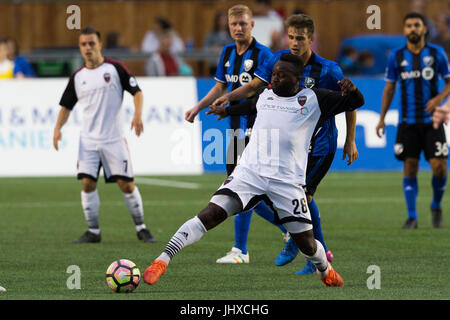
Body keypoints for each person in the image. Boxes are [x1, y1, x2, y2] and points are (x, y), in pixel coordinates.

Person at [142, 53, 365, 288]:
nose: (275, 79)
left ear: (298, 79)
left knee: (307, 244)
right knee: (209, 214)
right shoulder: (266, 93)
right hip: (250, 174)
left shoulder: (315, 99)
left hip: (287, 182)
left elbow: (355, 102)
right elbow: (251, 105)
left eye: (282, 76)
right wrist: (227, 111)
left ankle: (324, 269)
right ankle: (161, 261)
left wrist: (352, 90)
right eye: (275, 74)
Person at [212, 14, 359, 275]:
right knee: (271, 196)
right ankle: (311, 248)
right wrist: (230, 101)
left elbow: (348, 102)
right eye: (290, 37)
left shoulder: (329, 69)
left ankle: (308, 253)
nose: (294, 42)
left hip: (320, 145)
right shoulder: (279, 62)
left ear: (311, 40)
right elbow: (259, 91)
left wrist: (350, 139)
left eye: (300, 38)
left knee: (303, 197)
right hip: (287, 147)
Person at [184, 4, 278, 264]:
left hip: (257, 129)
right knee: (243, 190)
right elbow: (219, 87)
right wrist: (197, 107)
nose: (238, 28)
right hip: (235, 129)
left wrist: (227, 98)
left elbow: (252, 89)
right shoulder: (226, 52)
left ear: (252, 25)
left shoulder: (264, 54)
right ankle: (287, 231)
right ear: (228, 26)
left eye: (243, 24)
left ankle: (240, 250)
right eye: (234, 24)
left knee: (240, 188)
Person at [53, 27, 156, 243]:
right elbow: (66, 106)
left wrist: (137, 115)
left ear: (100, 45)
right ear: (80, 48)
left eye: (92, 43)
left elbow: (137, 91)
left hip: (114, 139)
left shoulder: (115, 69)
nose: (88, 48)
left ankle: (141, 227)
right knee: (87, 184)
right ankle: (93, 231)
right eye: (84, 44)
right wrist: (57, 128)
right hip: (88, 142)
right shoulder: (77, 77)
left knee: (126, 185)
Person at [376, 12, 450, 229]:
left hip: (432, 121)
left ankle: (436, 204)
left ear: (424, 29)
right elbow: (389, 88)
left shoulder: (437, 54)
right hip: (407, 121)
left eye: (416, 25)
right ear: (404, 30)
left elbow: (448, 81)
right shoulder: (396, 56)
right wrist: (381, 119)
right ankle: (412, 216)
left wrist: (438, 99)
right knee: (410, 166)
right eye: (408, 26)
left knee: (439, 168)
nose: (412, 29)